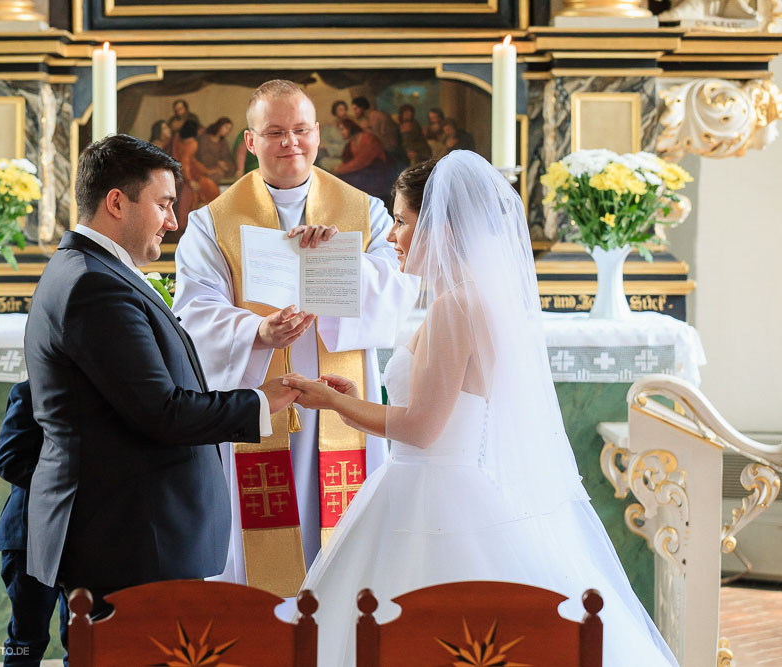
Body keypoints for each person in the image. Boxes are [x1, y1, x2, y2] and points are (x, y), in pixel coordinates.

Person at [282, 152, 679, 667]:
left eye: (402, 222)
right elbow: (437, 412)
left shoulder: (456, 306)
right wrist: (354, 401)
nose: (394, 237)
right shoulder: (467, 299)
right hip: (441, 484)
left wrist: (334, 403)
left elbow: (422, 429)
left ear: (441, 229)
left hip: (432, 493)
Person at [23, 134, 299, 616]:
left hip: (131, 532)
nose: (174, 221)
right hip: (129, 538)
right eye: (165, 204)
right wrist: (260, 400)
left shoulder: (93, 271)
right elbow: (161, 411)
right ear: (116, 202)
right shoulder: (95, 285)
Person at [173, 80, 418, 596]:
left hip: (340, 404)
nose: (291, 143)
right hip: (259, 405)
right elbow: (194, 314)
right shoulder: (210, 222)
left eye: (301, 130)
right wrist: (257, 331)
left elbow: (397, 290)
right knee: (261, 548)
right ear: (249, 141)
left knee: (345, 543)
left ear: (318, 133)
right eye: (275, 132)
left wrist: (335, 262)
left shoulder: (364, 211)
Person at [0, 380, 68, 666]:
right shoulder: (28, 392)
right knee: (26, 639)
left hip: (80, 536)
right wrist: (67, 485)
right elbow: (10, 460)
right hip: (28, 538)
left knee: (82, 638)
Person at [172, 118, 221, 228]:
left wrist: (205, 170)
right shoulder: (192, 143)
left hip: (186, 174)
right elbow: (186, 163)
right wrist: (190, 181)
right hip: (190, 177)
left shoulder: (178, 140)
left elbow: (192, 161)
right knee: (212, 189)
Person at [334, 118, 388, 199]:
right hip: (362, 170)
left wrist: (340, 169)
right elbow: (348, 160)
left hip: (376, 171)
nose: (341, 132)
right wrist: (339, 169)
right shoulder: (351, 143)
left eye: (342, 129)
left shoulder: (368, 138)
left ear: (350, 127)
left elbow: (362, 161)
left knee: (350, 181)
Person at [196, 116, 236, 181]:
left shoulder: (223, 141)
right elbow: (203, 155)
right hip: (205, 165)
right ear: (220, 125)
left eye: (229, 129)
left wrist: (225, 164)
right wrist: (218, 162)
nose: (227, 131)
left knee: (230, 167)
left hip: (219, 167)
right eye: (226, 127)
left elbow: (227, 156)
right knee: (218, 173)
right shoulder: (205, 138)